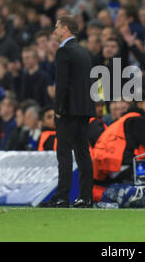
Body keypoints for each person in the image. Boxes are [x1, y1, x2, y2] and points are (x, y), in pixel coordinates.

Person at [39, 15, 95, 208]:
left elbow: (62, 84)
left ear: (65, 29)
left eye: (56, 27)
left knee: (63, 153)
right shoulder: (83, 51)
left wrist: (59, 109)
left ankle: (62, 196)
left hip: (68, 111)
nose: (54, 31)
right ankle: (86, 197)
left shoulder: (64, 51)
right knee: (83, 154)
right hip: (84, 110)